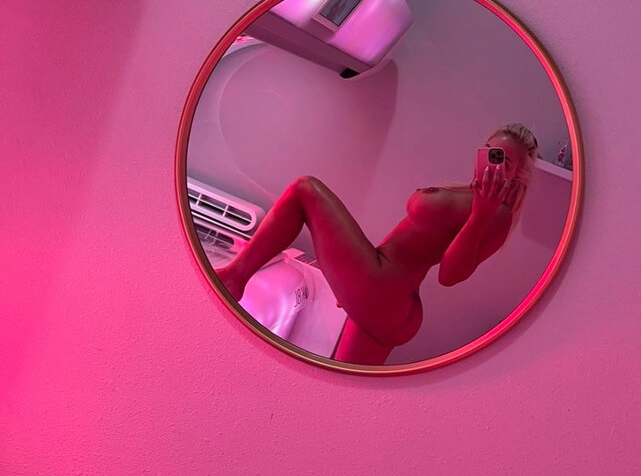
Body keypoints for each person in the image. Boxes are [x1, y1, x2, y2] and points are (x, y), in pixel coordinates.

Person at [214, 124, 539, 366]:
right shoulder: (467, 191)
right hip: (384, 291)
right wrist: (352, 280)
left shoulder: (497, 215)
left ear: (518, 175)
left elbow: (450, 276)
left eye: (507, 163)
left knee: (305, 189)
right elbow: (407, 236)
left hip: (389, 288)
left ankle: (235, 278)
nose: (496, 165)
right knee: (341, 393)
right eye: (492, 152)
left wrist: (480, 216)